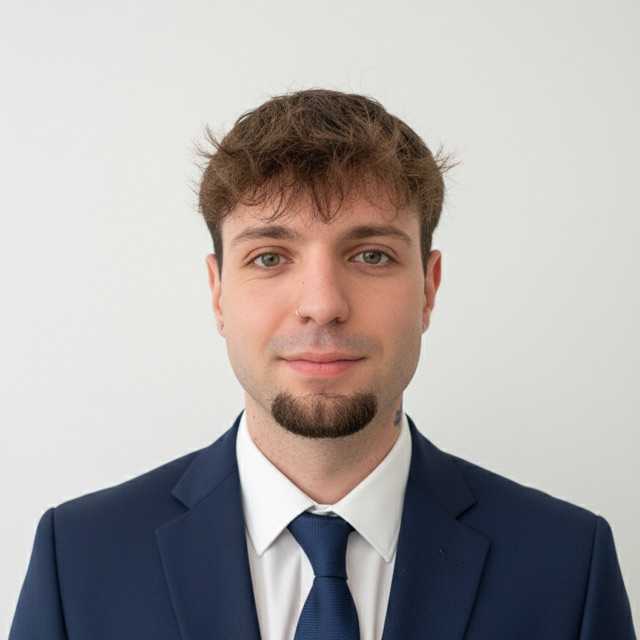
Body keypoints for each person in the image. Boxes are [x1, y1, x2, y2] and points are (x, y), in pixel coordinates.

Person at [9, 88, 636, 640]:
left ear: (429, 288)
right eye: (269, 257)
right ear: (218, 293)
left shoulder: (567, 564)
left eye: (370, 256)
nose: (323, 305)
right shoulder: (81, 559)